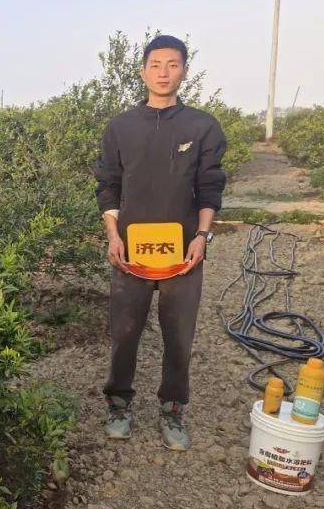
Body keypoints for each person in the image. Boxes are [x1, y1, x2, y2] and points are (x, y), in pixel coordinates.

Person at [92, 35, 228, 450]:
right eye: (155, 64)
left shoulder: (202, 126)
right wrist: (113, 236)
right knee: (125, 332)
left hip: (183, 254)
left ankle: (172, 410)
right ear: (143, 71)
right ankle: (119, 405)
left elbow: (210, 188)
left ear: (184, 70)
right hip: (130, 252)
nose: (163, 72)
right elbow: (108, 187)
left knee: (179, 335)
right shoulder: (120, 127)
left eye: (172, 64)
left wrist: (202, 237)